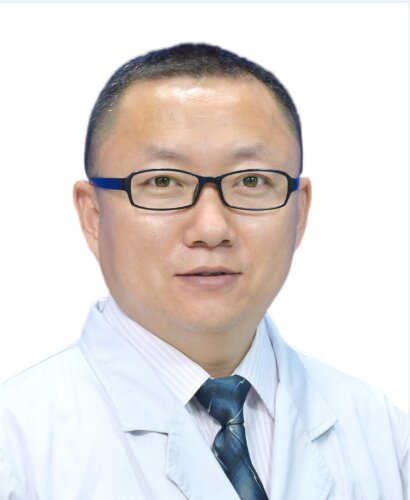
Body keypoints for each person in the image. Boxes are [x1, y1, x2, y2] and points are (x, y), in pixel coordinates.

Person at [0, 43, 407, 500]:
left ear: (299, 212)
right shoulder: (15, 450)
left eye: (251, 181)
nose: (211, 229)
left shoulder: (383, 436)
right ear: (93, 215)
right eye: (163, 181)